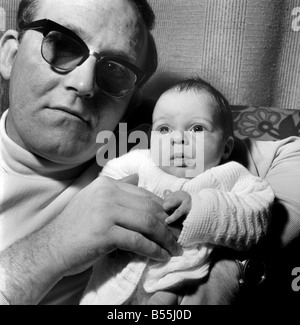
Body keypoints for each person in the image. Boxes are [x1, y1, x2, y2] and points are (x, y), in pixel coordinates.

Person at [0, 0, 299, 306]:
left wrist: (221, 272)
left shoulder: (147, 138)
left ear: (131, 98)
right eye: (61, 45)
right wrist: (49, 250)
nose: (84, 83)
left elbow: (294, 156)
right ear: (9, 55)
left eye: (115, 68)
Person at [80, 77, 274, 305]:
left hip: (175, 285)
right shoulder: (136, 163)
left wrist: (200, 208)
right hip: (108, 283)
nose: (178, 139)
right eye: (164, 128)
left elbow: (257, 217)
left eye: (197, 128)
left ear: (226, 147)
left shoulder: (231, 176)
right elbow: (100, 195)